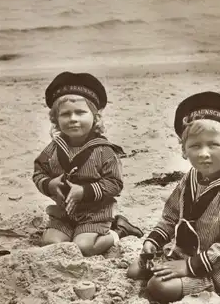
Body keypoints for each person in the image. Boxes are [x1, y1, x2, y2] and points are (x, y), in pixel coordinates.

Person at [128, 91, 220, 304]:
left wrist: (189, 267)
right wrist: (154, 239)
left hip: (218, 267)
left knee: (158, 286)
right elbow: (171, 216)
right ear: (184, 149)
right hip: (185, 252)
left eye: (213, 144)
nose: (203, 153)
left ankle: (206, 285)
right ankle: (177, 267)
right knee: (134, 271)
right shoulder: (191, 178)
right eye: (195, 146)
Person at [33, 71, 143, 256]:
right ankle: (71, 231)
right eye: (65, 114)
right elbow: (39, 172)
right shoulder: (53, 149)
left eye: (80, 112)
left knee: (84, 247)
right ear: (56, 120)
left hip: (95, 214)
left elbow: (115, 183)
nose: (73, 118)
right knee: (50, 243)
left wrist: (84, 191)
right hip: (64, 213)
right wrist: (49, 185)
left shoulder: (103, 150)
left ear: (95, 117)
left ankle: (119, 231)